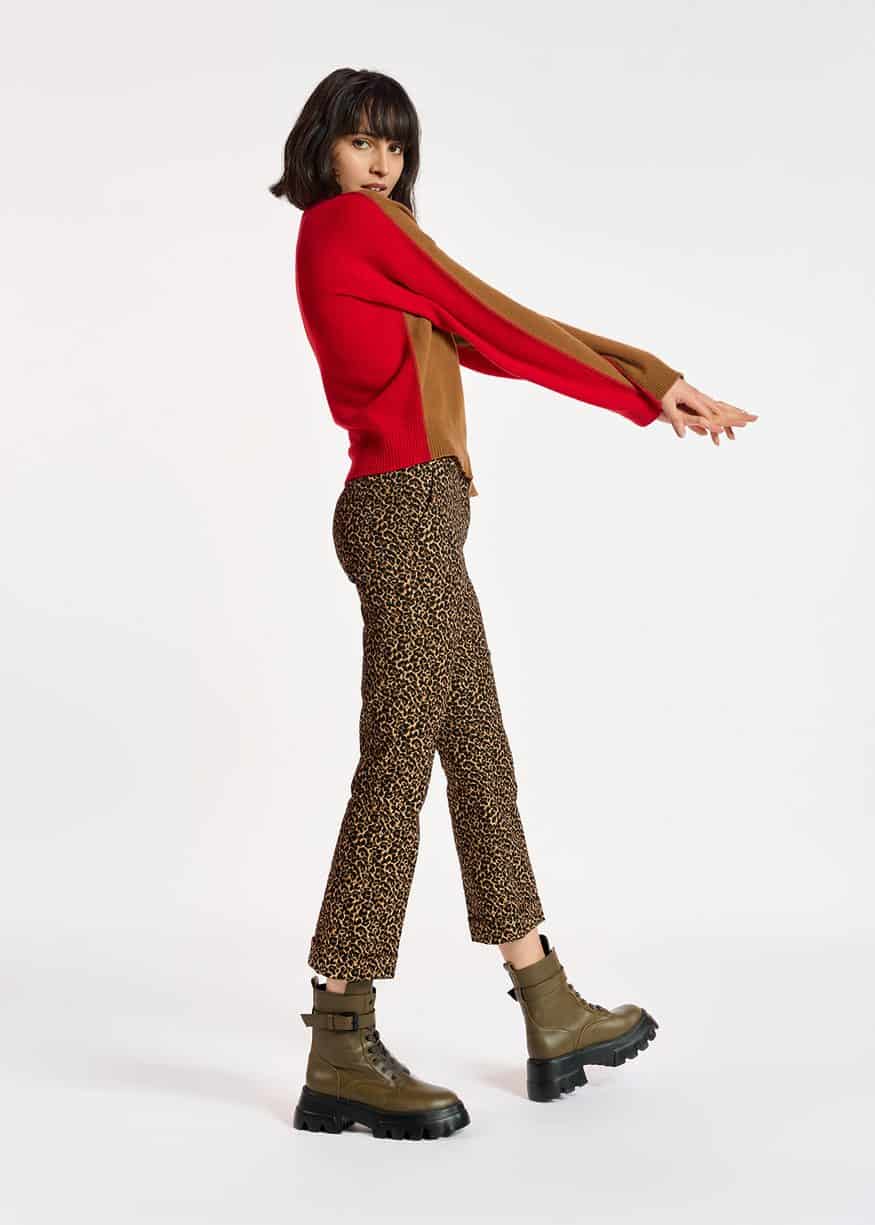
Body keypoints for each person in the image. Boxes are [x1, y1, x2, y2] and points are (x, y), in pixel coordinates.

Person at [270, 67, 756, 1142]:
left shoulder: (370, 243)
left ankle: (549, 1003)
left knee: (477, 756)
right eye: (359, 142)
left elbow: (482, 339)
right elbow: (499, 315)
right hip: (402, 515)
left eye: (394, 144)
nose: (380, 163)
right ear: (323, 150)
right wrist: (647, 381)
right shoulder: (351, 226)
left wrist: (641, 384)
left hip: (417, 516)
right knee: (397, 761)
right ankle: (339, 1039)